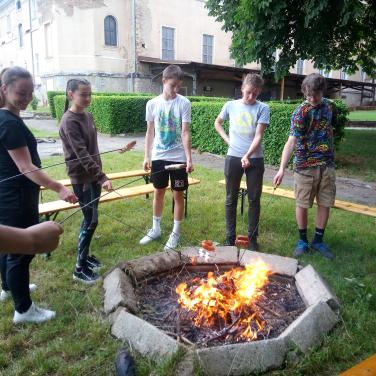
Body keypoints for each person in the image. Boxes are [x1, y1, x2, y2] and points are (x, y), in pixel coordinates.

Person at [0, 66, 77, 324]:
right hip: (17, 196)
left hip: (8, 194)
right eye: (21, 92)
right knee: (21, 249)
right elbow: (25, 167)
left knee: (9, 246)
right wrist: (59, 187)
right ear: (5, 89)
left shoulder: (7, 117)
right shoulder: (8, 122)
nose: (27, 98)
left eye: (30, 92)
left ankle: (9, 288)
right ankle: (23, 310)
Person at [273, 73, 336, 259]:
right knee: (302, 203)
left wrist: (331, 156)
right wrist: (282, 168)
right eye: (307, 95)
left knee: (325, 202)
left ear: (321, 91)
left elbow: (329, 131)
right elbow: (291, 141)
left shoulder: (330, 108)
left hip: (327, 164)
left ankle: (318, 240)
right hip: (305, 165)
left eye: (314, 95)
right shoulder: (300, 112)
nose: (311, 99)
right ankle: (302, 240)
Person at [59, 78, 113, 285]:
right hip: (83, 179)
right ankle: (79, 268)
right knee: (91, 220)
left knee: (89, 218)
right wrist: (101, 177)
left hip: (93, 177)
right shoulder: (69, 121)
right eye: (83, 94)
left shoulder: (87, 116)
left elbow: (92, 149)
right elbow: (81, 154)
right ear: (70, 94)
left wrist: (99, 173)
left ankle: (86, 256)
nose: (88, 98)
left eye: (90, 94)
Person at [140, 65, 193, 251]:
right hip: (159, 156)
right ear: (163, 81)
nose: (175, 90)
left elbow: (185, 132)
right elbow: (149, 132)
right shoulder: (152, 104)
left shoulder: (184, 103)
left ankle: (175, 233)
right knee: (158, 192)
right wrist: (147, 156)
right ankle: (156, 229)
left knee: (178, 194)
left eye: (178, 86)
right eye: (172, 85)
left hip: (178, 157)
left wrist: (189, 158)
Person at [214, 73, 270, 251]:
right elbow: (218, 123)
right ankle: (230, 238)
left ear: (259, 91)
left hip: (255, 159)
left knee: (254, 200)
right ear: (242, 89)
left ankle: (252, 240)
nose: (251, 97)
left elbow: (259, 136)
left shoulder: (263, 108)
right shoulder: (230, 105)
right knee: (231, 198)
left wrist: (247, 155)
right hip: (233, 157)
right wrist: (228, 140)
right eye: (248, 93)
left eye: (255, 93)